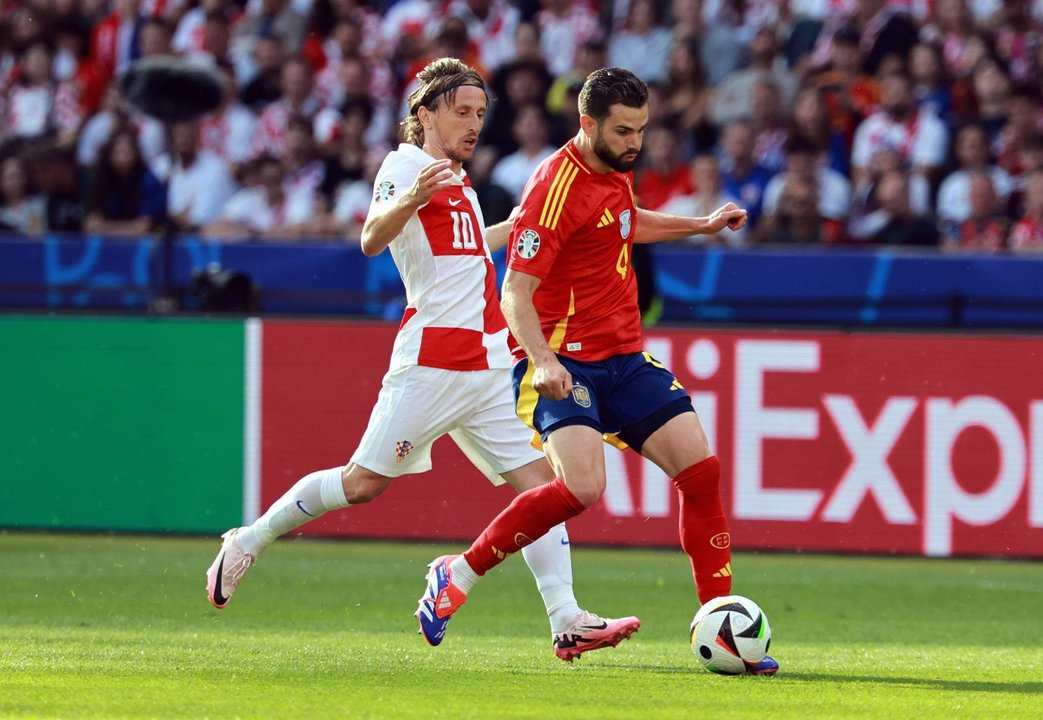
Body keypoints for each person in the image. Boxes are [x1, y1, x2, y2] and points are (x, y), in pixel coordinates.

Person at [206, 57, 638, 663]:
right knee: (361, 485)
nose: (473, 124)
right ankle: (249, 538)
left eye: (480, 114)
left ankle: (565, 617)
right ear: (426, 112)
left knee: (544, 488)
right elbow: (371, 239)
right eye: (461, 111)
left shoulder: (457, 179)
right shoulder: (407, 166)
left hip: (487, 364)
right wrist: (409, 195)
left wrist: (508, 228)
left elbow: (463, 250)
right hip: (433, 360)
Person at [415, 67, 778, 674]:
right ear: (588, 125)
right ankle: (458, 572)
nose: (636, 141)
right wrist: (543, 360)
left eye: (641, 128)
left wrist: (701, 224)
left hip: (625, 358)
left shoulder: (614, 168)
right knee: (583, 489)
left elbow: (627, 223)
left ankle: (724, 622)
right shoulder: (553, 188)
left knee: (703, 470)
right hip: (565, 363)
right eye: (623, 130)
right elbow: (514, 293)